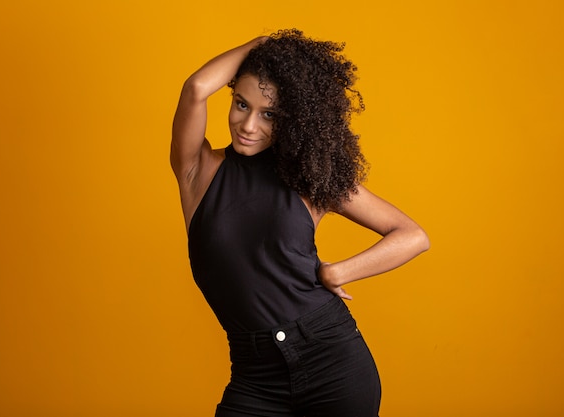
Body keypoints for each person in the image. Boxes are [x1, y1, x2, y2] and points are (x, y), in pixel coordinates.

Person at [171, 29, 429, 417]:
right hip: (254, 375)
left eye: (269, 114)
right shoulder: (198, 171)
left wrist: (336, 271)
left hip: (331, 360)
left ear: (293, 119)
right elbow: (195, 88)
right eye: (241, 105)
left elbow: (412, 236)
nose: (248, 125)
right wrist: (260, 45)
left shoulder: (310, 178)